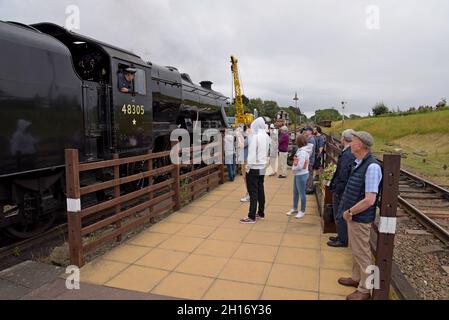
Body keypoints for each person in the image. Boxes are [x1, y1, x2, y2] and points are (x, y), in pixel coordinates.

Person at [337, 131, 382, 301]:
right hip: (355, 216)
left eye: (353, 140)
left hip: (360, 217)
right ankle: (357, 278)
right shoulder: (360, 162)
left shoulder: (372, 166)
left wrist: (350, 212)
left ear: (360, 145)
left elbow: (369, 200)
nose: (350, 143)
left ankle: (366, 289)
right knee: (356, 249)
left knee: (363, 252)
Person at [327, 129, 356, 248]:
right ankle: (340, 235)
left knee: (339, 213)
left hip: (341, 189)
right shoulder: (349, 152)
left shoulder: (347, 154)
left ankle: (342, 239)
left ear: (344, 139)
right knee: (339, 213)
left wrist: (336, 188)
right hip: (343, 187)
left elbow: (342, 174)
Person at [240, 118, 270, 224]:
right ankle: (261, 213)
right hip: (262, 166)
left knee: (253, 192)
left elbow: (252, 154)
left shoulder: (255, 137)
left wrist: (248, 166)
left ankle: (251, 216)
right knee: (260, 189)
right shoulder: (266, 136)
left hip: (254, 167)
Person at [285, 134, 310, 219]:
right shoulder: (301, 150)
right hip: (298, 174)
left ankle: (302, 210)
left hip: (301, 174)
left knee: (301, 193)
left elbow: (300, 165)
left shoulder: (302, 152)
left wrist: (293, 168)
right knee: (295, 192)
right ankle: (294, 208)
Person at [302, 127, 316, 194]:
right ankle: (308, 187)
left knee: (309, 174)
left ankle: (309, 188)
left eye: (306, 131)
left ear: (310, 131)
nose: (305, 132)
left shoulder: (311, 140)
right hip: (308, 160)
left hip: (309, 160)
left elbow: (309, 152)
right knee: (308, 174)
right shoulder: (309, 139)